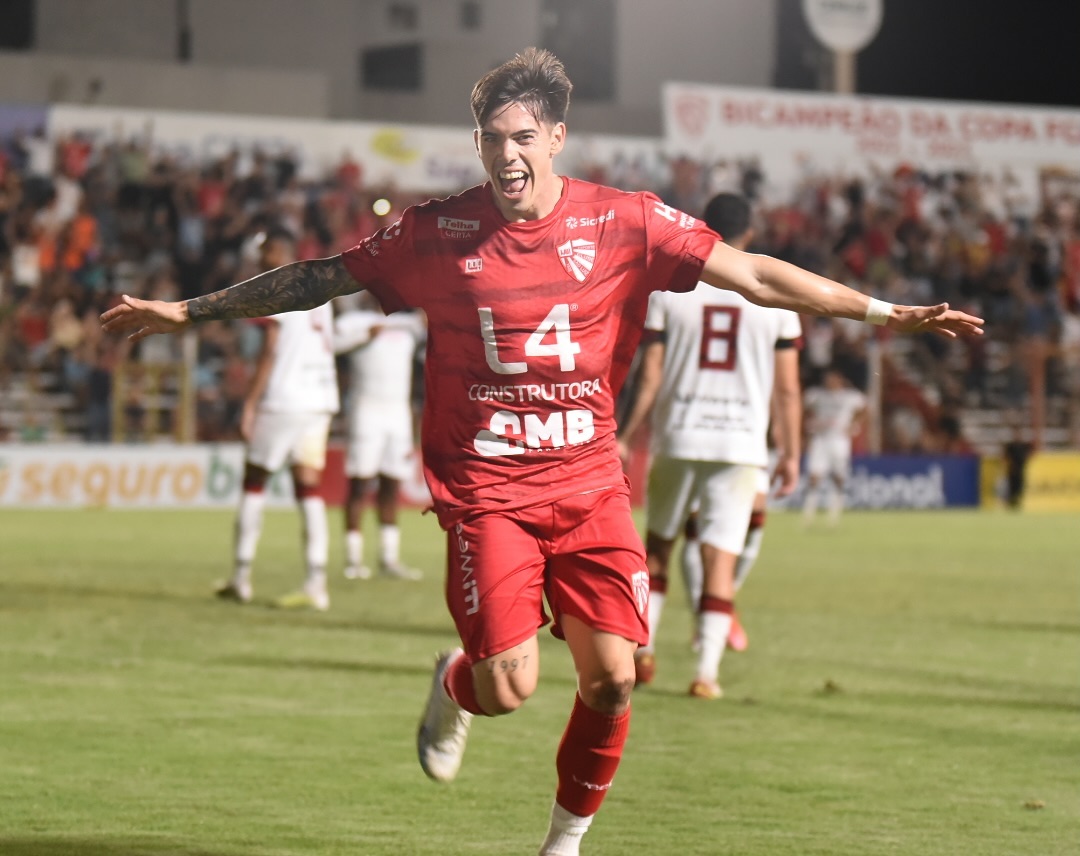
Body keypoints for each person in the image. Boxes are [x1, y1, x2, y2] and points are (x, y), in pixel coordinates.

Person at [102, 48, 983, 856]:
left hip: (592, 484)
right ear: (478, 146)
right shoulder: (435, 232)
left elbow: (754, 275)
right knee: (511, 685)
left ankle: (561, 849)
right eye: (492, 140)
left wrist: (883, 313)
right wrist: (188, 311)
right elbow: (316, 278)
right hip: (488, 489)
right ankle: (454, 687)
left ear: (558, 138)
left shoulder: (625, 222)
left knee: (611, 680)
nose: (508, 155)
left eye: (524, 137)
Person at [617, 193, 802, 698]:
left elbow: (649, 376)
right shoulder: (777, 296)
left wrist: (626, 434)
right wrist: (791, 450)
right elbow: (787, 389)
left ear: (703, 226)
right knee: (720, 560)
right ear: (750, 231)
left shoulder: (672, 287)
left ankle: (643, 650)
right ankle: (706, 674)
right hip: (740, 443)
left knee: (657, 552)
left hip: (679, 434)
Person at [215, 226, 340, 611]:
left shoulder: (280, 288)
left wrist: (250, 403)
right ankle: (316, 583)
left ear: (279, 251)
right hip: (319, 399)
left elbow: (270, 352)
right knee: (309, 489)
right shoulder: (319, 289)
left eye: (264, 252)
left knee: (255, 483)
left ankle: (241, 576)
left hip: (285, 399)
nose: (259, 260)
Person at [333, 299, 425, 580]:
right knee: (359, 484)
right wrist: (363, 337)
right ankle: (353, 559)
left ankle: (389, 558)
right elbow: (332, 346)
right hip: (366, 408)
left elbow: (436, 332)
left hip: (398, 411)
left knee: (391, 483)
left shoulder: (410, 324)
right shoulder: (352, 321)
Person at [801, 367, 867, 526]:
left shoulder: (850, 396)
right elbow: (803, 408)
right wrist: (809, 424)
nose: (829, 382)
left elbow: (865, 409)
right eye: (827, 379)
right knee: (814, 477)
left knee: (838, 477)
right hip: (820, 440)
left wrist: (854, 425)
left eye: (832, 378)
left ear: (840, 380)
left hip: (839, 441)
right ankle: (808, 514)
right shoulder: (816, 395)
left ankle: (834, 514)